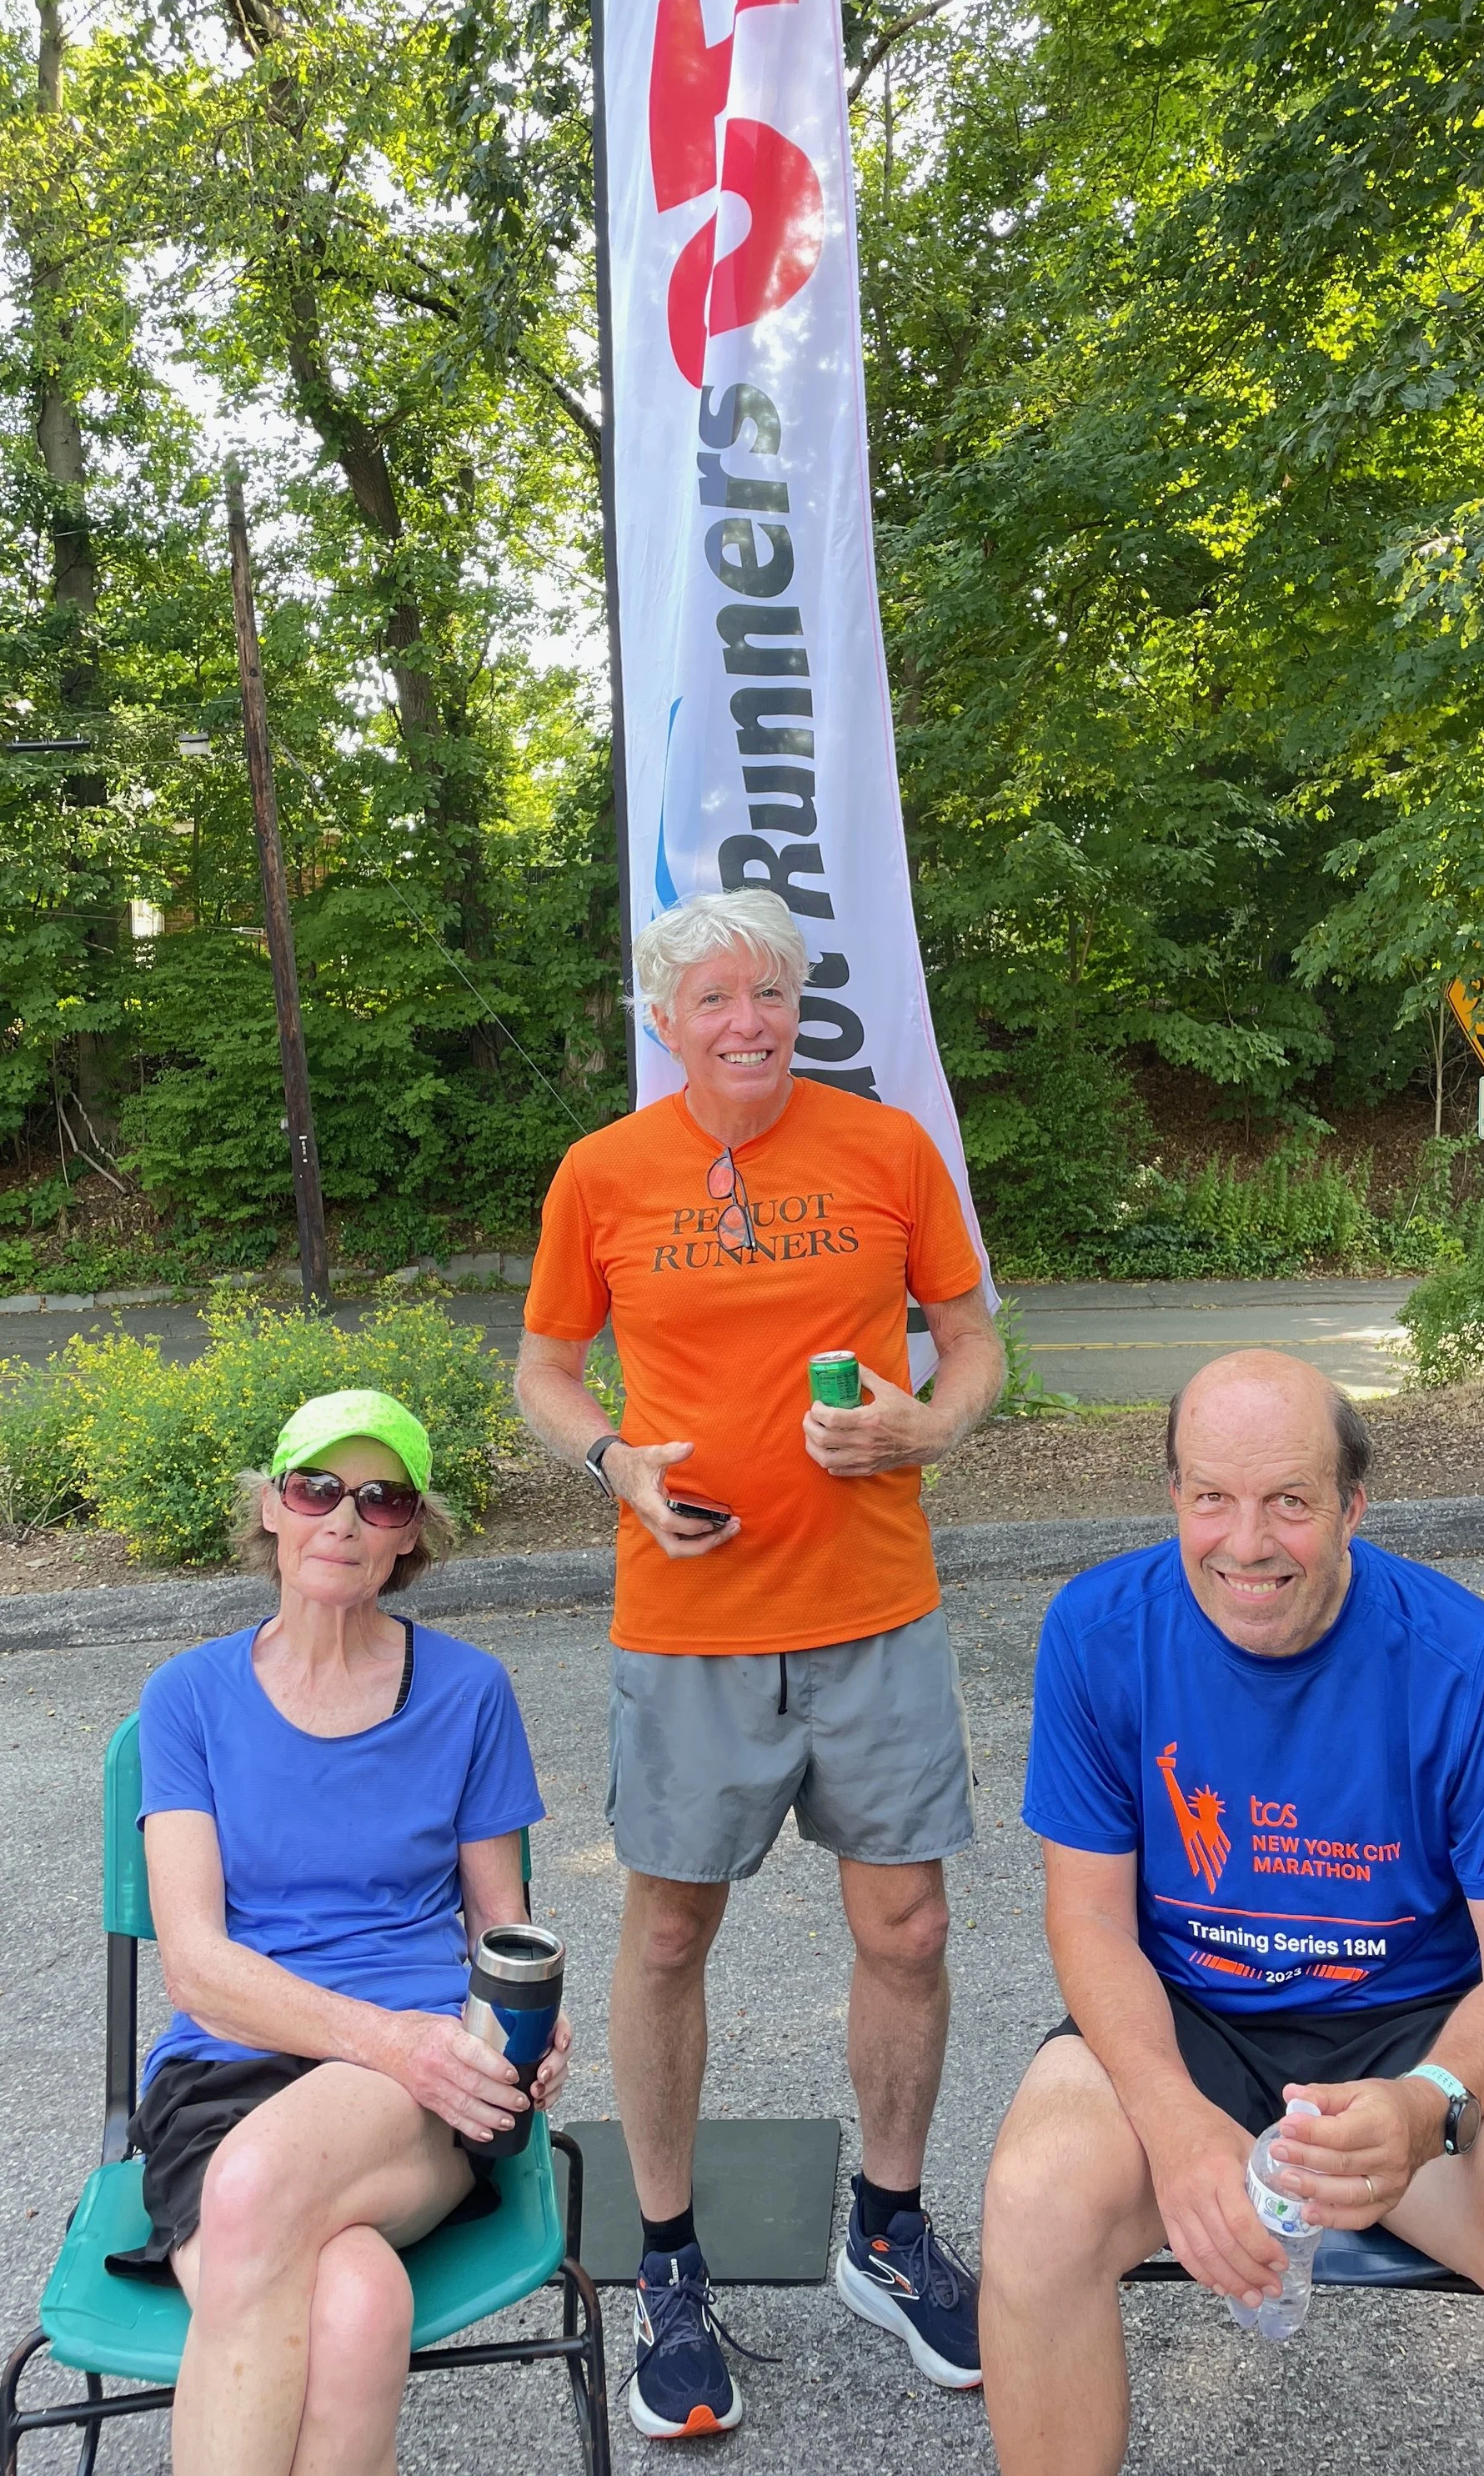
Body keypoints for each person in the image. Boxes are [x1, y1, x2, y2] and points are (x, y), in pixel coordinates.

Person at [980, 1348, 1484, 2476]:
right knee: (1032, 2204)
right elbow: (1092, 1924)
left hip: (1415, 2028)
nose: (1246, 1544)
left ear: (1354, 1505)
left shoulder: (1466, 1659)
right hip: (1190, 2018)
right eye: (1211, 1497)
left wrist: (1428, 2104)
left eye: (1289, 1503)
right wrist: (1171, 2116)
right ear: (1172, 1493)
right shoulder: (1097, 1631)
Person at [515, 886, 1005, 2437]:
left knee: (910, 1927)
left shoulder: (886, 1149)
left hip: (875, 1606)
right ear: (664, 1022)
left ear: (803, 1011)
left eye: (772, 997)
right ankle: (669, 2261)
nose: (749, 1023)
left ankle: (888, 2225)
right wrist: (618, 1466)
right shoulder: (602, 1173)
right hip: (691, 1621)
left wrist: (930, 1422)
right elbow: (542, 1367)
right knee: (665, 1942)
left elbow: (976, 1337)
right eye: (716, 998)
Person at [121, 1388, 569, 2476]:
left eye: (381, 1500)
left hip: (419, 2088)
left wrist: (535, 2031)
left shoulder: (470, 1694)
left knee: (253, 2190)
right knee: (358, 2305)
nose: (343, 1519)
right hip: (230, 2073)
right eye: (317, 1487)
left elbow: (501, 1930)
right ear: (271, 1507)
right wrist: (389, 2038)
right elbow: (197, 1967)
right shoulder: (186, 1699)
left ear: (411, 1532)